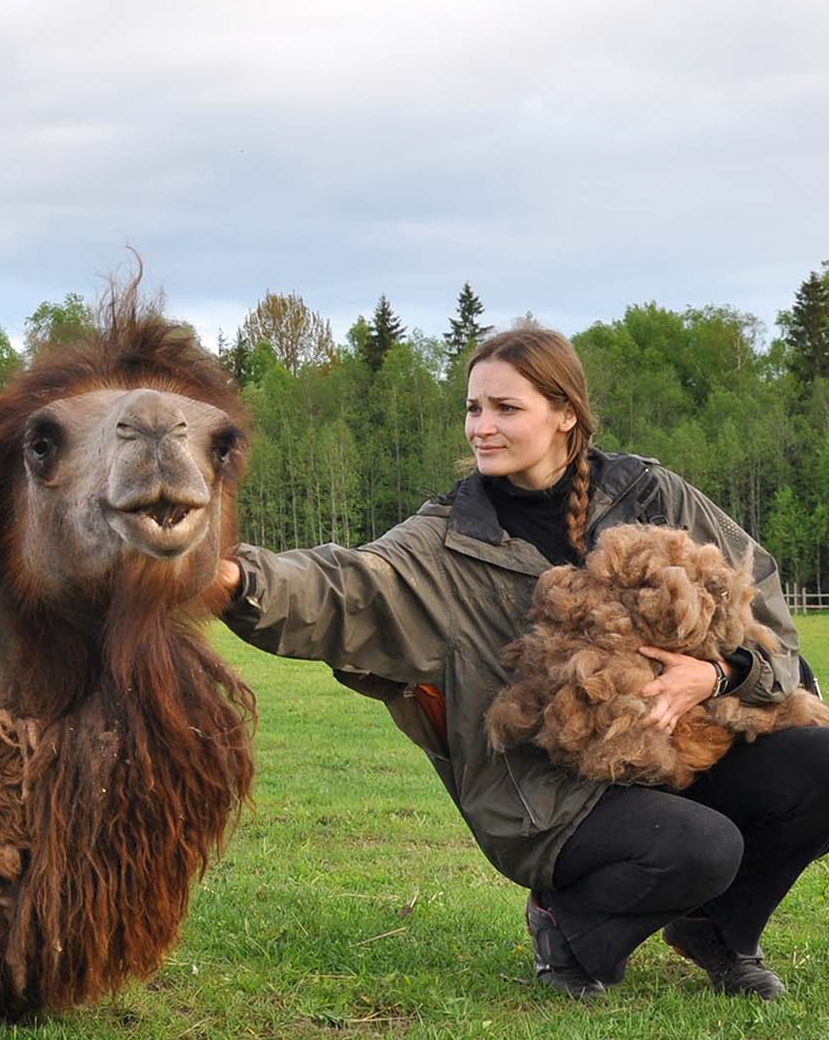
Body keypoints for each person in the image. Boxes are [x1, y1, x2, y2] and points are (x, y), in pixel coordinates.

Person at [216, 325, 829, 1001]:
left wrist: (713, 675)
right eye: (474, 409)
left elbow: (761, 606)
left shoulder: (650, 494)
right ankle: (564, 924)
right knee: (703, 848)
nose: (482, 427)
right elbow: (342, 589)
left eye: (505, 409)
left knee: (819, 762)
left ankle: (720, 930)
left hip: (686, 754)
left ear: (565, 414)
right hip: (549, 797)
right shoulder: (446, 540)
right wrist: (230, 579)